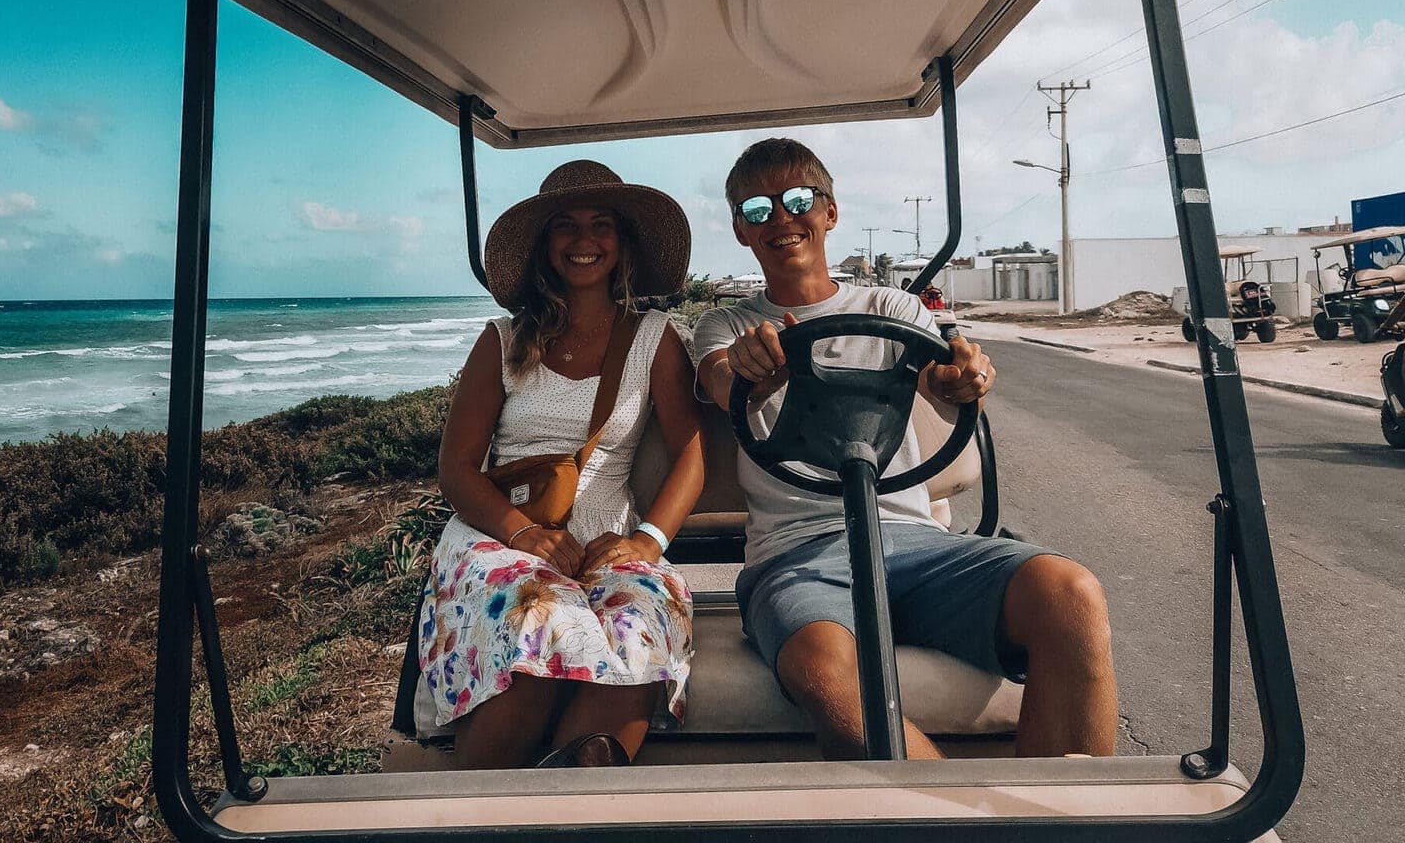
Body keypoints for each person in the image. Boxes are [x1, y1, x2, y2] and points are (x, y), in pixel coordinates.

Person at [694, 138, 1116, 761]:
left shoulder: (891, 307)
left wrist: (958, 379)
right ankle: (961, 824)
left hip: (915, 542)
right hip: (797, 556)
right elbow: (722, 379)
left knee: (1069, 594)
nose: (781, 218)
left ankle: (1067, 821)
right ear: (740, 230)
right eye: (758, 210)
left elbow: (938, 379)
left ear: (830, 213)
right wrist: (755, 372)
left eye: (799, 200)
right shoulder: (729, 327)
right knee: (820, 667)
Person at [423, 160, 705, 769]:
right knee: (545, 619)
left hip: (609, 542)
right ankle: (480, 804)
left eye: (601, 223)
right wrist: (524, 534)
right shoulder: (501, 340)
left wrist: (649, 543)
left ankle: (582, 793)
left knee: (643, 620)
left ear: (621, 242)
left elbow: (690, 450)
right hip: (502, 537)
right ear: (544, 247)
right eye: (565, 226)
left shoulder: (655, 338)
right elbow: (458, 468)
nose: (584, 240)